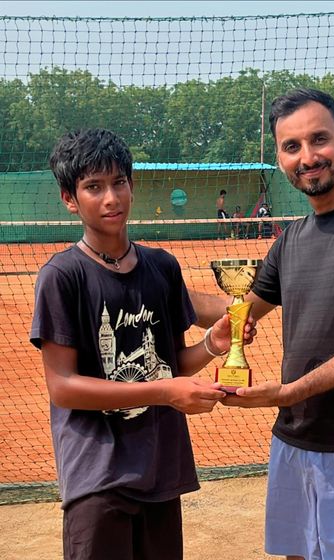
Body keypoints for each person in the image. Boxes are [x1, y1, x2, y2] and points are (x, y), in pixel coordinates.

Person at [190, 88, 334, 559]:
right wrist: (147, 284)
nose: (308, 157)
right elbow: (238, 311)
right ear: (279, 157)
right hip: (293, 443)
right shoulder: (292, 238)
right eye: (291, 146)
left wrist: (287, 393)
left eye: (320, 140)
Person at [29, 128, 251, 560]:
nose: (110, 198)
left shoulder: (161, 267)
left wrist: (212, 343)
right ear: (69, 199)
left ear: (132, 186)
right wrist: (165, 392)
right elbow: (63, 386)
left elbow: (170, 364)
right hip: (98, 477)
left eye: (118, 183)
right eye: (93, 187)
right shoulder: (62, 276)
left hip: (160, 467)